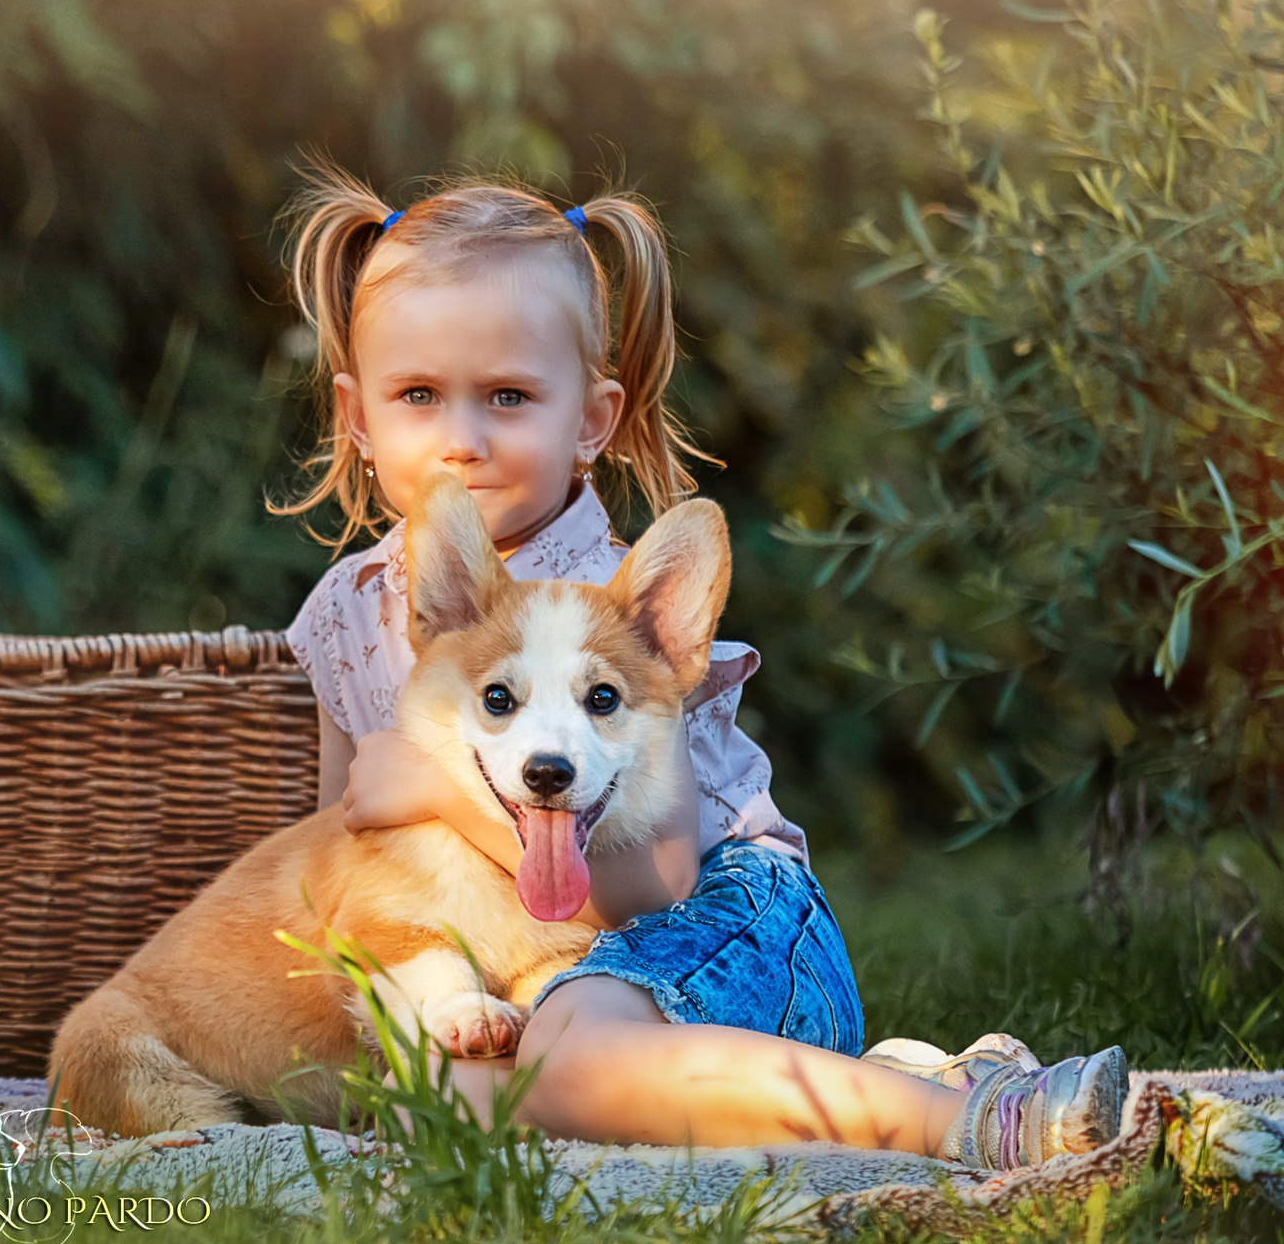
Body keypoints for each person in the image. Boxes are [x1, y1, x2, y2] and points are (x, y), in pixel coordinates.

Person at [275, 168, 1123, 1171]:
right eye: (418, 394)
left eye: (508, 395)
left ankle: (976, 1120)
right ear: (358, 416)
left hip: (717, 917)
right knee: (447, 1099)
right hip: (533, 973)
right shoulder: (345, 614)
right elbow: (345, 868)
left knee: (563, 1057)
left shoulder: (612, 606)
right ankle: (871, 1080)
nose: (461, 438)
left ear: (590, 418)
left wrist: (436, 794)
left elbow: (653, 879)